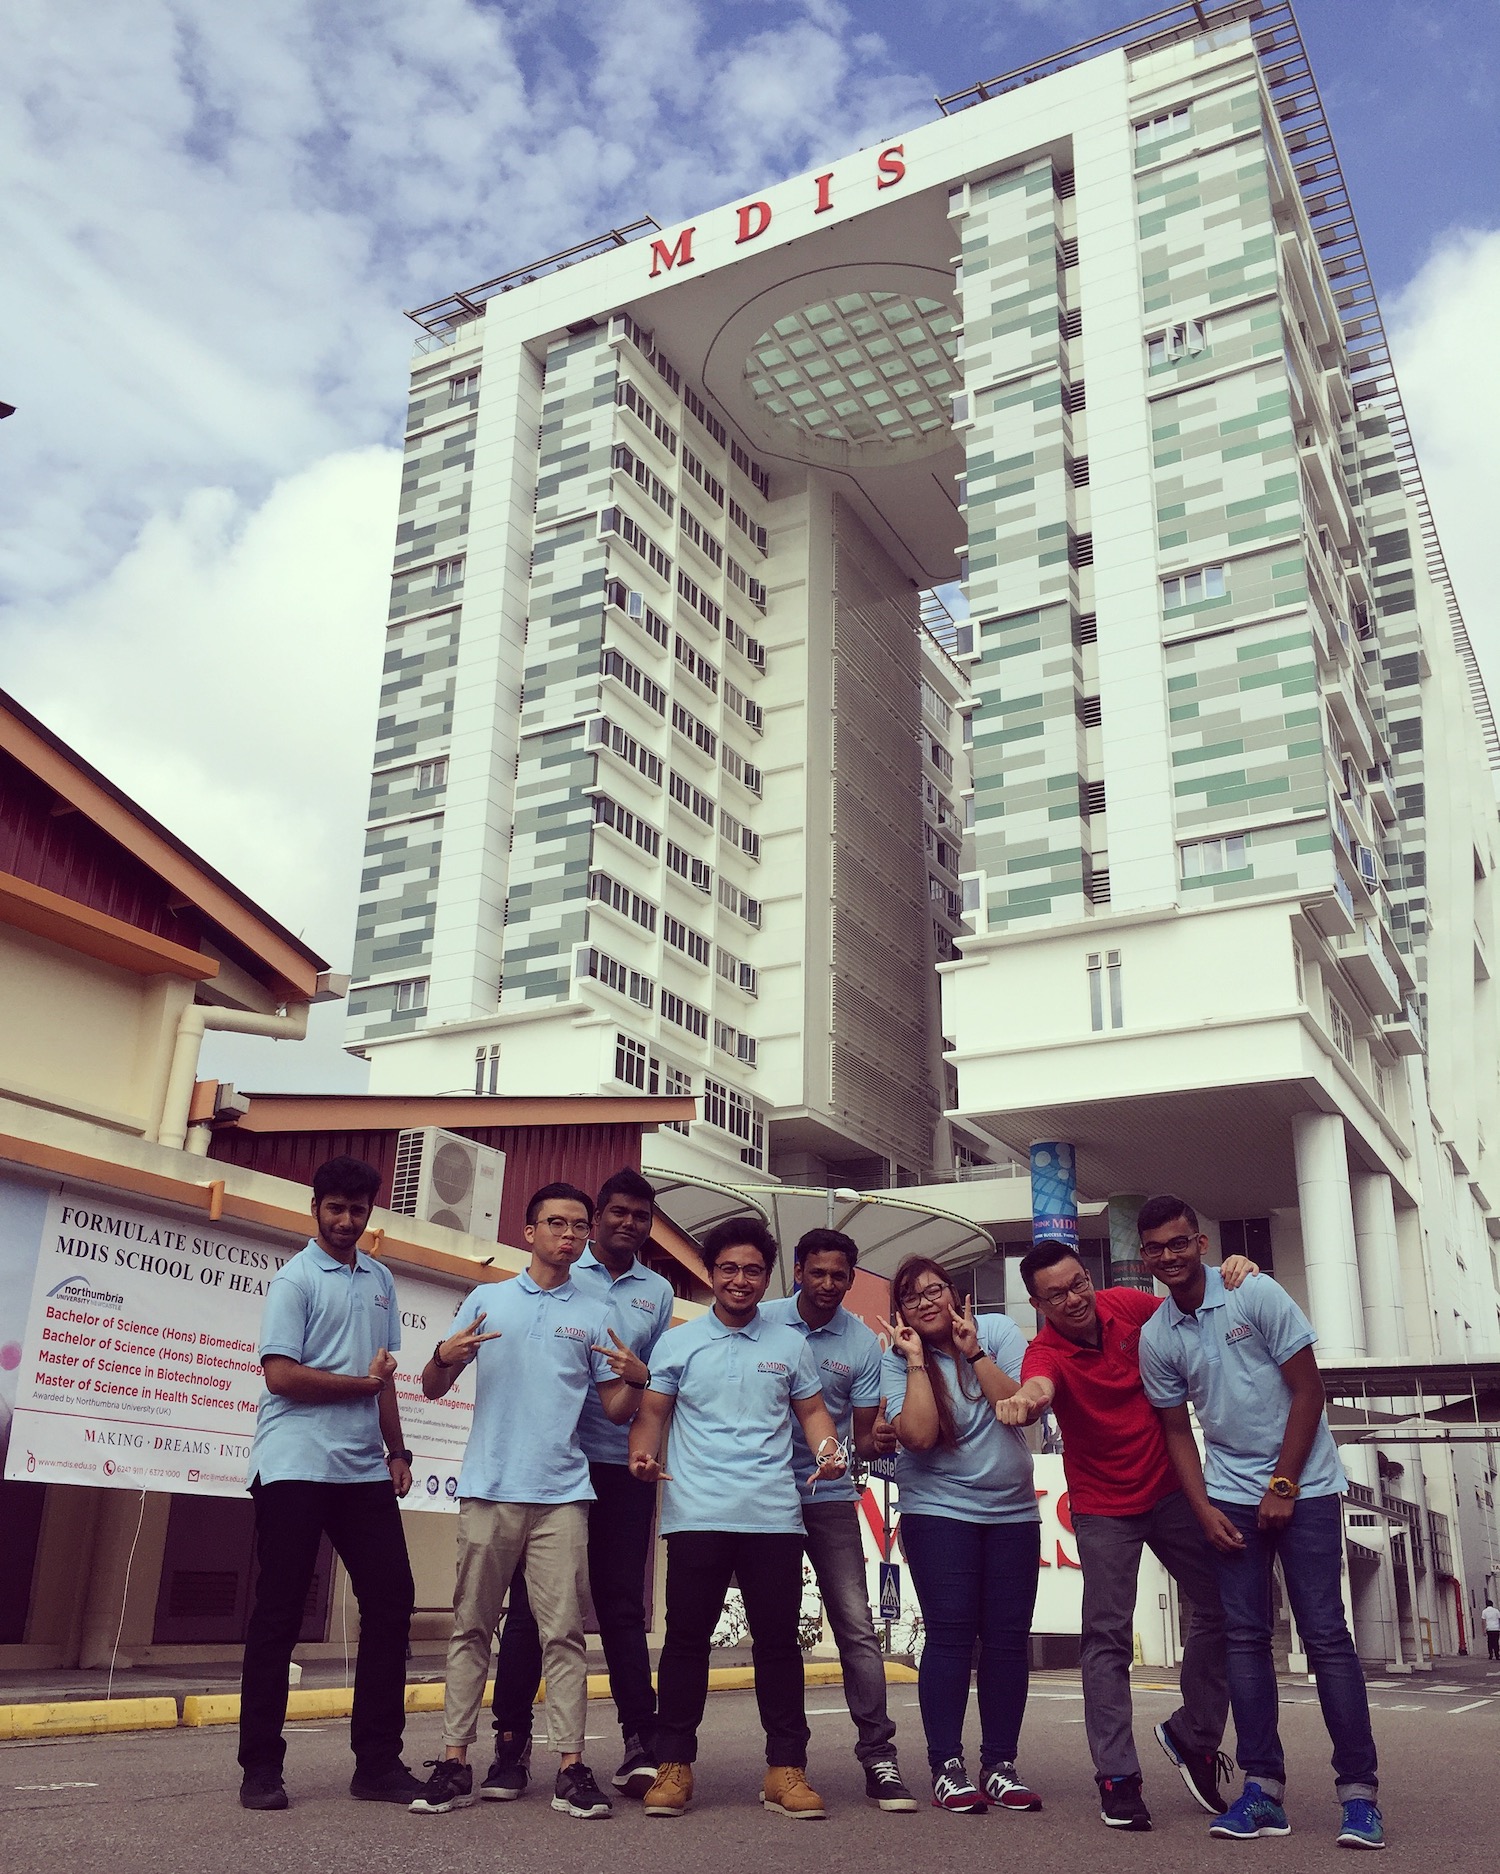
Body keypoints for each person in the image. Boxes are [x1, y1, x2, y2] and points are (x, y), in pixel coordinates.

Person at [1135, 1194, 1386, 1851]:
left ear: (1202, 1244)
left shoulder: (1255, 1293)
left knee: (1327, 1636)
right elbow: (1175, 1431)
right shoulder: (1158, 1335)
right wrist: (1203, 1507)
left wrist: (1283, 1484)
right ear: (1144, 1256)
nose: (1169, 1255)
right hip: (1229, 1498)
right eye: (1156, 1247)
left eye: (1179, 1242)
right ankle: (1262, 1793)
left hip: (1305, 1488)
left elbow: (1310, 1390)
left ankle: (1359, 1798)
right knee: (1245, 1640)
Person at [1002, 1238, 1260, 1829]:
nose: (1072, 1299)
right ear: (1037, 1304)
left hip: (1171, 1491)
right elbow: (1038, 1389)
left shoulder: (1130, 1307)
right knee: (1107, 1637)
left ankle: (1193, 1734)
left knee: (1229, 1602)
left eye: (1077, 1284)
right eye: (1055, 1295)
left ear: (1089, 1279)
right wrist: (1024, 1401)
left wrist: (1235, 1271)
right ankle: (1117, 1778)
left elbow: (1194, 1295)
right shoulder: (1043, 1353)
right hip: (1103, 1508)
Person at [409, 1182, 642, 1823]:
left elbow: (616, 1411)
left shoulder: (594, 1312)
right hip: (489, 1489)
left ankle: (571, 1768)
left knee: (564, 1636)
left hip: (564, 1495)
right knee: (471, 1631)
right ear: (529, 1230)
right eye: (555, 1224)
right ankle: (454, 1761)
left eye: (577, 1226)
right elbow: (432, 1386)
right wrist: (441, 1356)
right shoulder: (488, 1299)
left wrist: (637, 1379)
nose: (568, 1235)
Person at [628, 1217, 847, 1819]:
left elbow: (814, 1415)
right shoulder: (677, 1342)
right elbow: (651, 1414)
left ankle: (786, 1771)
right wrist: (641, 1457)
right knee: (685, 1643)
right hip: (696, 1512)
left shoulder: (789, 1345)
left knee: (779, 1645)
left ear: (767, 1276)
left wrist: (831, 1453)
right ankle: (673, 1766)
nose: (740, 1280)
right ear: (710, 1273)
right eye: (728, 1268)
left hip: (774, 1516)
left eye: (752, 1270)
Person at [485, 1168, 676, 1802]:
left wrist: (644, 1446)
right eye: (618, 1213)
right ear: (596, 1222)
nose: (629, 1223)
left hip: (623, 1466)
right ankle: (508, 1748)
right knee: (530, 1612)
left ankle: (639, 1745)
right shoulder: (565, 1273)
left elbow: (642, 1390)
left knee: (622, 1607)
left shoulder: (659, 1290)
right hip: (556, 1465)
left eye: (640, 1216)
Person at [238, 1155, 420, 1810]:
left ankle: (377, 1763)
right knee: (280, 1612)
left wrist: (396, 1449)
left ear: (370, 1213)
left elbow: (383, 1375)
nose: (346, 1220)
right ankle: (260, 1767)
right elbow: (281, 1376)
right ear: (315, 1208)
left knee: (393, 1599)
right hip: (293, 1462)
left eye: (358, 1209)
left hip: (360, 1467)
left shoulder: (379, 1280)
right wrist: (359, 1387)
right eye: (335, 1208)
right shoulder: (295, 1281)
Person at [760, 1229, 918, 1811]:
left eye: (839, 1275)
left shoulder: (861, 1345)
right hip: (763, 1495)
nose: (828, 1284)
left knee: (855, 1626)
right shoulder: (764, 1319)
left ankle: (878, 1755)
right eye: (817, 1272)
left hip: (828, 1497)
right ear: (797, 1270)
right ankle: (783, 1761)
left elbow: (862, 1439)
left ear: (852, 1279)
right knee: (773, 1633)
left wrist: (879, 1438)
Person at [880, 1254, 1041, 1815]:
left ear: (954, 1294)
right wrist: (919, 1361)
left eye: (934, 1290)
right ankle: (946, 1766)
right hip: (938, 1512)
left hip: (1014, 1514)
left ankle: (999, 1764)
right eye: (911, 1295)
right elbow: (920, 1438)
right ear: (899, 1310)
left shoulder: (994, 1331)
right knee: (950, 1636)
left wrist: (972, 1351)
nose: (925, 1301)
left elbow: (1021, 1409)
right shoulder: (897, 1360)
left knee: (1006, 1641)